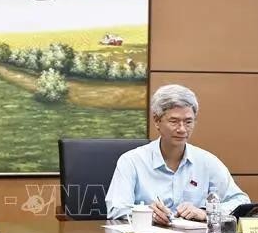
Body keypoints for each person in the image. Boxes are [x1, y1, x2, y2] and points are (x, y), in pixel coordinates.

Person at [105, 84, 249, 225]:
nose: (182, 129)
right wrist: (147, 212)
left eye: (188, 122)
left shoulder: (207, 162)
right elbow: (116, 209)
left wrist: (206, 212)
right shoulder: (132, 161)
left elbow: (241, 201)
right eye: (174, 121)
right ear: (157, 120)